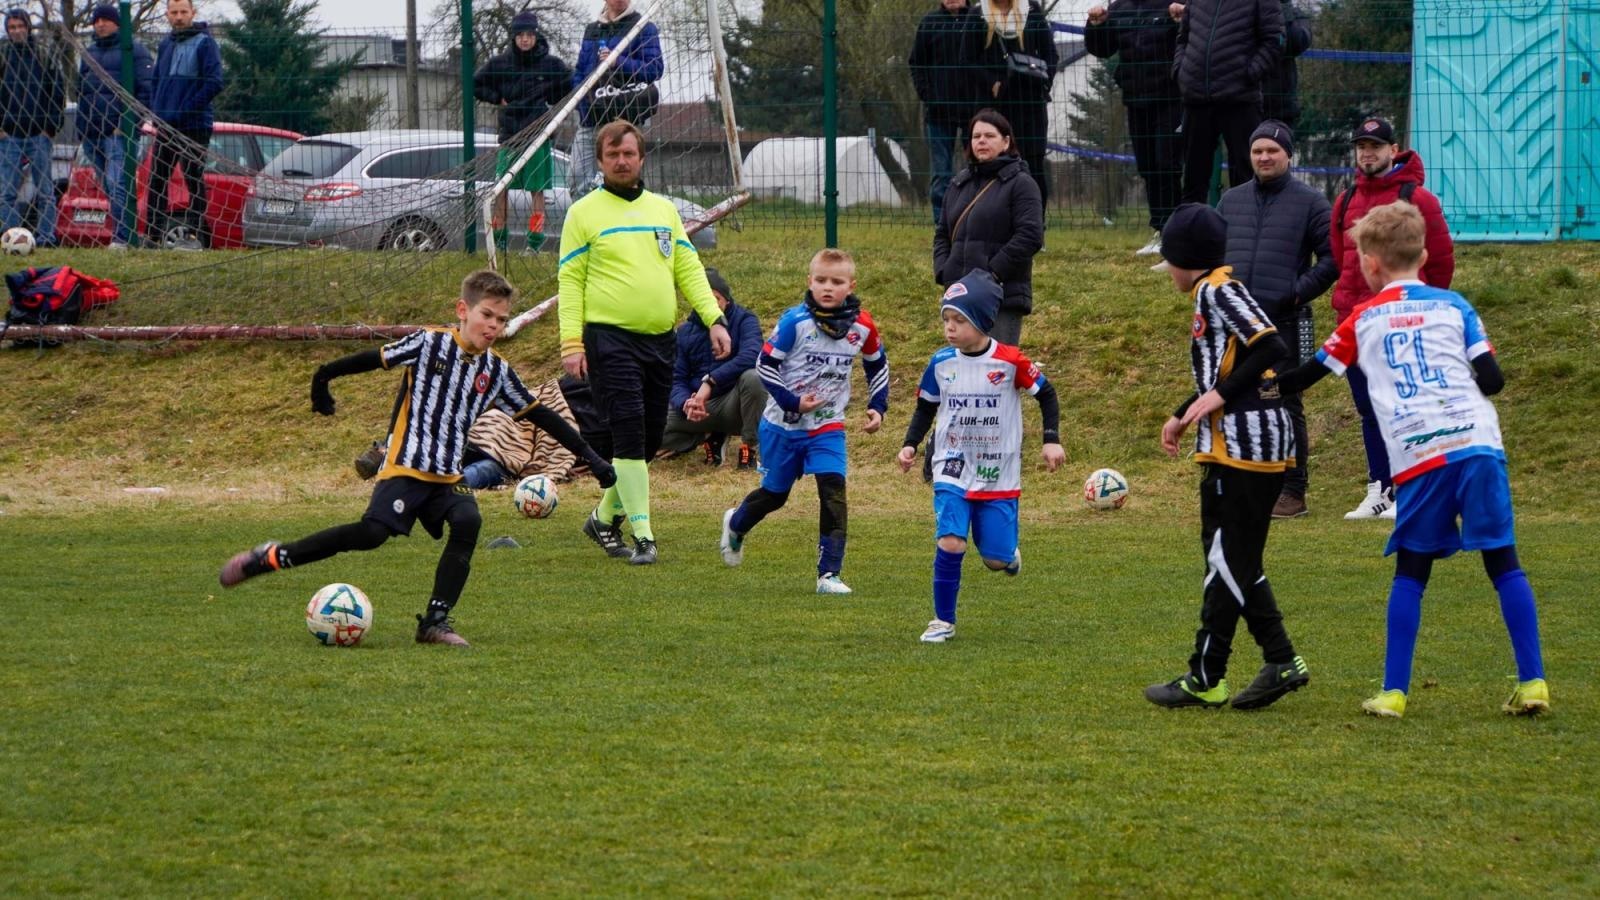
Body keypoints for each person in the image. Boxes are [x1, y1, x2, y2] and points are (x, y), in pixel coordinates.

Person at [218, 271, 618, 647]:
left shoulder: (496, 370)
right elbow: (374, 358)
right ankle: (274, 557)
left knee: (468, 520)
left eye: (501, 319)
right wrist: (323, 377)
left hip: (447, 476)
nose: (493, 326)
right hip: (406, 467)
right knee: (371, 535)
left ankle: (434, 622)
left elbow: (542, 415)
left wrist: (592, 458)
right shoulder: (430, 343)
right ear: (462, 310)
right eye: (486, 315)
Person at [1272, 202, 1548, 719]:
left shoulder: (1362, 318)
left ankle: (1394, 692)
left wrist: (1255, 386)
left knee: (1411, 573)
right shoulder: (1455, 306)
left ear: (1369, 264)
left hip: (1421, 453)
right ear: (1423, 256)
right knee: (1504, 562)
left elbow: (1304, 377)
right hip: (1478, 445)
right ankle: (1533, 683)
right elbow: (1492, 380)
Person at [1145, 202, 1309, 710]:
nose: (1168, 272)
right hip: (1235, 442)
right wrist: (1184, 412)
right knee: (1234, 557)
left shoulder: (1217, 290)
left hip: (1246, 445)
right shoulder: (1211, 290)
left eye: (1169, 262)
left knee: (1225, 558)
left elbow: (1271, 347)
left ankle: (1206, 675)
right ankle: (1280, 659)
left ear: (1185, 259)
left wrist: (1216, 399)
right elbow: (1227, 367)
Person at [559, 120, 729, 565]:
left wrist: (713, 319)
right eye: (612, 155)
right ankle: (644, 536)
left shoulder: (663, 211)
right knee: (629, 434)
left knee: (650, 440)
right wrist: (571, 343)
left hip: (660, 341)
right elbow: (570, 282)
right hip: (608, 340)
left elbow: (688, 268)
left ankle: (602, 518)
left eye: (628, 154)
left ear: (641, 158)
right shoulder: (582, 213)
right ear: (600, 162)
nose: (621, 161)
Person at [895, 270, 1063, 642]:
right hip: (952, 465)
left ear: (983, 320)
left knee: (994, 559)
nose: (950, 327)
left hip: (998, 473)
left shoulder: (1010, 361)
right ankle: (942, 620)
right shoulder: (941, 363)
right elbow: (925, 407)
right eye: (946, 319)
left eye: (960, 320)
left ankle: (1008, 556)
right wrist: (911, 444)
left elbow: (1047, 395)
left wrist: (1051, 440)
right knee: (951, 540)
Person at [717, 248, 889, 595]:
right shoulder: (794, 322)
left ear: (851, 286)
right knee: (775, 495)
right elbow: (764, 366)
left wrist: (878, 405)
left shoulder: (863, 326)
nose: (828, 287)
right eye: (821, 280)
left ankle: (829, 575)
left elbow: (877, 363)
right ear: (810, 282)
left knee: (833, 490)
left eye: (837, 282)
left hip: (828, 425)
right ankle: (736, 523)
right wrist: (793, 402)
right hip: (782, 424)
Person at [1330, 116, 1455, 520]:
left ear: (1393, 149)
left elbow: (1440, 262)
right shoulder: (1345, 200)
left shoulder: (1419, 199)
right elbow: (1341, 259)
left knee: (1407, 408)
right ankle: (1380, 488)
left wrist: (1419, 310)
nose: (1367, 154)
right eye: (1361, 146)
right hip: (1356, 322)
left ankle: (1411, 488)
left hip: (1403, 324)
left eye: (1375, 146)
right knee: (1369, 409)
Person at [1216, 120, 1335, 519]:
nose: (1264, 157)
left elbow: (1332, 259)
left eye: (1272, 150)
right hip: (1236, 325)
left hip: (1284, 322)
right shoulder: (1230, 201)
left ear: (1288, 154)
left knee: (1284, 400)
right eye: (1257, 151)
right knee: (1237, 399)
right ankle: (1248, 483)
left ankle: (1293, 491)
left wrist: (1295, 293)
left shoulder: (1312, 203)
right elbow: (1213, 253)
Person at [933, 108, 1043, 348]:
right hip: (959, 297)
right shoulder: (958, 184)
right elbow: (942, 234)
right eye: (976, 136)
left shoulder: (1022, 184)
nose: (981, 141)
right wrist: (943, 269)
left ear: (1006, 142)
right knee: (962, 368)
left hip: (1001, 297)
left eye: (989, 136)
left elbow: (1030, 236)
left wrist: (992, 274)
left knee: (997, 367)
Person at [1084, 0, 1182, 256]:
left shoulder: (1173, 4)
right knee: (1148, 166)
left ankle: (1174, 231)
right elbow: (1103, 49)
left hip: (1170, 99)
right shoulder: (1119, 8)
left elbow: (1193, 38)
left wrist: (1182, 20)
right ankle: (1159, 229)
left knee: (1167, 164)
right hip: (1135, 99)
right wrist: (1095, 26)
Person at [472, 9, 572, 254]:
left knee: (537, 190)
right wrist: (497, 98)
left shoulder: (550, 64)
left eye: (529, 35)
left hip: (539, 135)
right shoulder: (500, 63)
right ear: (514, 37)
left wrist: (550, 98)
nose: (525, 39)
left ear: (536, 36)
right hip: (510, 135)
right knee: (501, 189)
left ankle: (534, 242)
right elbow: (476, 84)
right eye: (520, 35)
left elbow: (568, 85)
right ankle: (500, 241)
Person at [1168, 0, 1283, 204]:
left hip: (1240, 99)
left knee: (1246, 175)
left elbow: (1274, 40)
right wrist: (1181, 72)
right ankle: (1193, 224)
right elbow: (1183, 38)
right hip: (1196, 98)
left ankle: (1247, 223)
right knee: (1193, 179)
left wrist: (1249, 74)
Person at [659, 267, 765, 469]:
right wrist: (686, 403)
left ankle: (750, 446)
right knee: (649, 431)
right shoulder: (684, 332)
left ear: (726, 299)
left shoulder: (745, 319)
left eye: (716, 298)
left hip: (735, 402)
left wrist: (710, 381)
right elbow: (676, 378)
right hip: (700, 406)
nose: (711, 304)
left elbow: (752, 355)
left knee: (754, 378)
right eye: (704, 299)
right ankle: (708, 436)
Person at [959, 0, 1057, 206]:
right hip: (992, 107)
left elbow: (1050, 55)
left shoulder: (1032, 11)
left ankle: (1033, 220)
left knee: (1032, 167)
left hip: (1030, 107)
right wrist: (991, 83)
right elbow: (966, 59)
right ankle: (993, 219)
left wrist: (1043, 86)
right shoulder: (978, 14)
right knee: (991, 166)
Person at [567, 0, 663, 198]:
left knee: (623, 181)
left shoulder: (644, 27)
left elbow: (654, 69)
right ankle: (589, 218)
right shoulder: (592, 30)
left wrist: (617, 61)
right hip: (591, 118)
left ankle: (623, 216)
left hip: (625, 120)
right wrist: (583, 103)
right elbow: (579, 71)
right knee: (577, 180)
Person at [148, 0, 223, 249]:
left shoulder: (205, 43)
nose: (178, 17)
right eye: (174, 12)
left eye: (183, 12)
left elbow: (215, 82)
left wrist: (185, 111)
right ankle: (153, 236)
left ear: (193, 13)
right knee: (157, 179)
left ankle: (195, 236)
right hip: (166, 126)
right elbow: (156, 81)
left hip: (195, 125)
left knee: (193, 178)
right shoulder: (166, 43)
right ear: (167, 15)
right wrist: (156, 111)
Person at [78, 5, 154, 250]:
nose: (100, 24)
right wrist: (81, 126)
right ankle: (121, 233)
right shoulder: (89, 53)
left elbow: (146, 91)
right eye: (96, 20)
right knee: (108, 187)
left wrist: (127, 124)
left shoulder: (134, 50)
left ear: (118, 23)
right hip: (91, 132)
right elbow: (82, 91)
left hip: (118, 133)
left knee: (117, 183)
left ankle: (123, 237)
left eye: (105, 20)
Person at [0, 8, 65, 248]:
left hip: (39, 134)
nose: (17, 31)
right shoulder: (3, 56)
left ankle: (46, 237)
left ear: (28, 28)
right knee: (7, 192)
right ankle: (11, 237)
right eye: (12, 27)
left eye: (20, 26)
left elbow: (57, 92)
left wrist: (51, 127)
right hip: (9, 135)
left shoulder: (43, 55)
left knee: (45, 190)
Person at [909, 0, 975, 225]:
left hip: (974, 111)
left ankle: (975, 219)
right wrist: (927, 95)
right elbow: (916, 63)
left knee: (978, 168)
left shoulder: (978, 20)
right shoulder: (929, 23)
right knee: (941, 172)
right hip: (938, 112)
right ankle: (942, 223)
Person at [1261, 0, 1311, 126]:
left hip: (1282, 109)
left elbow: (1297, 43)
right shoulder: (1245, 12)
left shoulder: (1295, 14)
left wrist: (1283, 8)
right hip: (1246, 105)